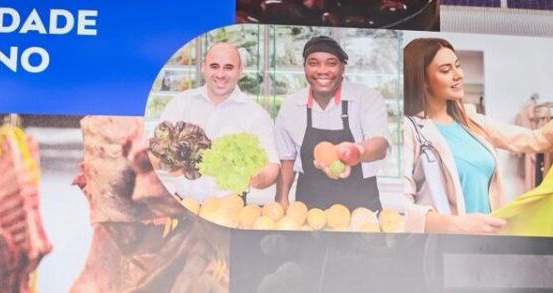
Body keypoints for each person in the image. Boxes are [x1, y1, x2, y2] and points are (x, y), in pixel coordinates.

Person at [400, 37, 553, 234]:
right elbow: (401, 210)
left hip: (488, 241)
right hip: (445, 247)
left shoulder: (473, 122)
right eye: (446, 70)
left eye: (458, 65)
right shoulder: (409, 130)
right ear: (422, 79)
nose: (458, 75)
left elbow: (537, 140)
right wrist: (460, 225)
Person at [274, 35, 390, 211]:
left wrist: (353, 151)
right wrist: (281, 200)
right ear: (304, 67)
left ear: (342, 67)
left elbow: (380, 146)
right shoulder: (291, 106)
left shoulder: (366, 98)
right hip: (309, 205)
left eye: (331, 63)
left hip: (361, 205)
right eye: (313, 63)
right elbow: (287, 159)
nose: (322, 70)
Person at [156, 42, 280, 200]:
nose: (220, 74)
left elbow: (272, 165)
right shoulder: (181, 103)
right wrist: (168, 163)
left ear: (240, 71)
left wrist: (258, 178)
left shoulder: (256, 114)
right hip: (183, 204)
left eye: (228, 67)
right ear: (203, 67)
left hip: (231, 207)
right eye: (214, 66)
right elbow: (156, 150)